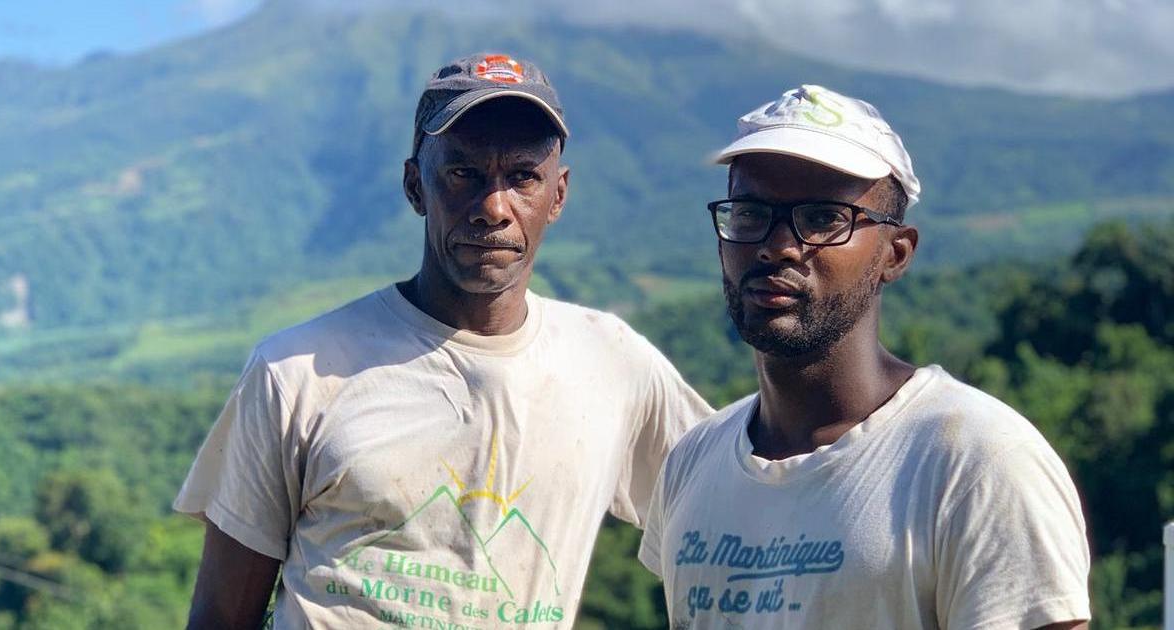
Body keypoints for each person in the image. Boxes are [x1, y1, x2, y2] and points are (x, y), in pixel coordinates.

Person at [174, 52, 712, 629]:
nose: (493, 209)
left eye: (523, 178)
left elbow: (739, 504)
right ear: (415, 187)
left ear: (557, 196)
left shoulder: (613, 364)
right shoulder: (296, 371)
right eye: (463, 174)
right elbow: (221, 615)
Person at [639, 85, 1090, 629]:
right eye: (751, 211)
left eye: (826, 218)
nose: (777, 245)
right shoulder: (694, 463)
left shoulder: (977, 461)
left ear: (894, 254)